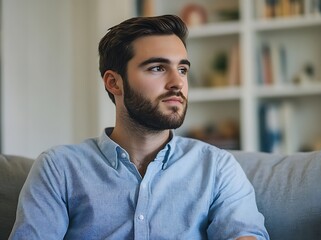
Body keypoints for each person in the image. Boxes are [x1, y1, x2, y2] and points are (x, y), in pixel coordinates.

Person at [10, 15, 269, 239]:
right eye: (157, 68)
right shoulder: (59, 169)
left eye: (182, 69)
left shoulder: (217, 168)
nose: (177, 83)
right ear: (114, 83)